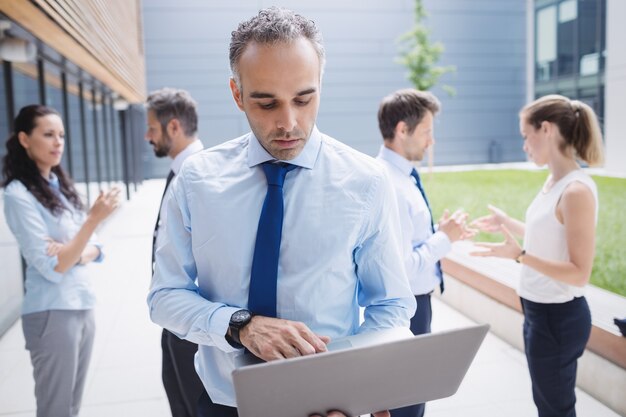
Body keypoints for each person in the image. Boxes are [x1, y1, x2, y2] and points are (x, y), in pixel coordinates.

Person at [147, 7, 416, 417]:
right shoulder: (195, 180)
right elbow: (164, 296)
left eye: (304, 99)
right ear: (237, 94)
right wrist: (239, 326)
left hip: (327, 404)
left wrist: (357, 388)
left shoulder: (367, 181)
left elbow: (391, 306)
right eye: (266, 103)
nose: (288, 122)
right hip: (223, 403)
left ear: (320, 86)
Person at [470, 94, 604, 417]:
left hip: (558, 319)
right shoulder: (554, 181)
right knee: (547, 404)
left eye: (525, 135)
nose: (524, 145)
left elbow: (578, 272)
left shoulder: (576, 191)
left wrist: (519, 255)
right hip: (538, 312)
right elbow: (550, 234)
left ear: (546, 129)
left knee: (555, 409)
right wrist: (508, 223)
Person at [2, 104, 120, 417]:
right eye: (49, 134)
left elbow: (96, 249)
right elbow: (54, 266)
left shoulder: (60, 187)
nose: (58, 143)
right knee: (55, 410)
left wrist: (73, 250)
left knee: (72, 407)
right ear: (25, 139)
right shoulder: (17, 194)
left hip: (82, 304)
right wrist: (91, 222)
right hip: (52, 312)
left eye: (62, 135)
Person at [375, 89, 473, 417]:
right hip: (407, 308)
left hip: (416, 305)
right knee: (408, 404)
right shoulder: (389, 183)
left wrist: (437, 233)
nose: (431, 141)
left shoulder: (401, 176)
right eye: (427, 132)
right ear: (403, 130)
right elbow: (400, 267)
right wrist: (444, 239)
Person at [145, 87, 205, 417]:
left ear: (173, 127)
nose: (147, 135)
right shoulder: (181, 171)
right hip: (174, 313)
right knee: (179, 399)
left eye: (152, 128)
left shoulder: (199, 174)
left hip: (193, 316)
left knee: (195, 405)